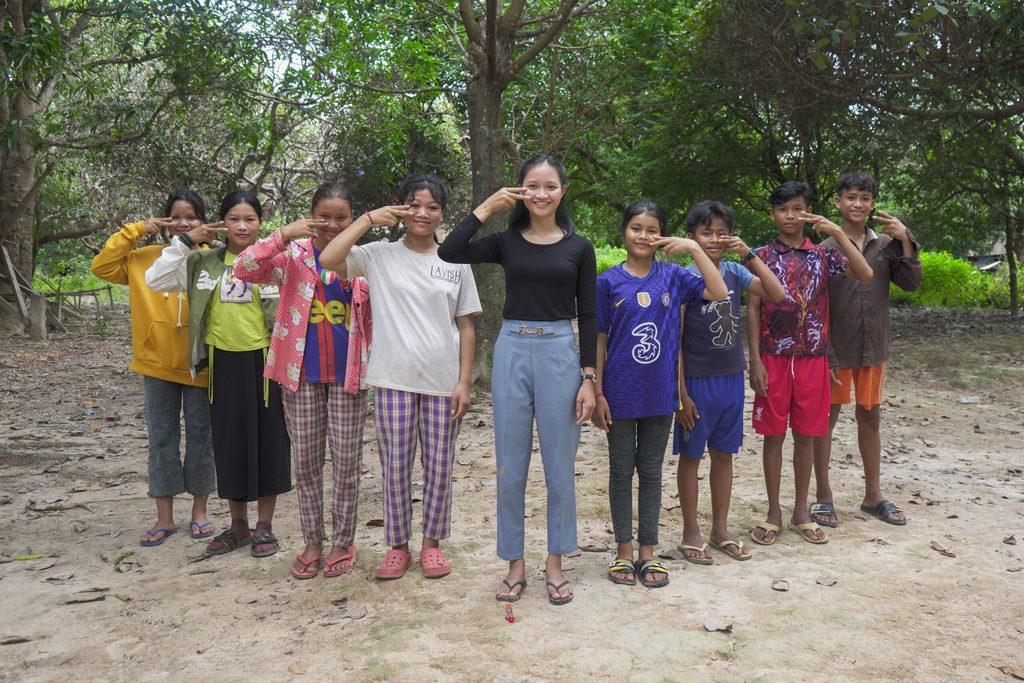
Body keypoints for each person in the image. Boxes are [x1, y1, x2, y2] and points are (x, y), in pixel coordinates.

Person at [438, 154, 595, 606]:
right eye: (532, 186)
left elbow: (589, 312)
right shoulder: (506, 242)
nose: (541, 194)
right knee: (509, 468)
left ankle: (555, 563)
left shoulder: (579, 247)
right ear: (520, 191)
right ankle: (514, 563)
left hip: (560, 353)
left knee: (560, 468)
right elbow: (450, 251)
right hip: (511, 348)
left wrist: (589, 378)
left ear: (562, 190)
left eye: (550, 186)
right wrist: (487, 207)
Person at [319, 174, 480, 581]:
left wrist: (464, 382)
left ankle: (431, 545)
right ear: (401, 207)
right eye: (414, 205)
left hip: (443, 382)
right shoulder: (377, 255)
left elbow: (466, 327)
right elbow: (328, 258)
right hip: (392, 379)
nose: (423, 214)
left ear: (443, 213)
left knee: (439, 467)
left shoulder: (455, 261)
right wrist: (369, 219)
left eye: (432, 207)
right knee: (394, 467)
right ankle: (397, 547)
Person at [233, 182, 371, 579]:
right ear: (310, 215)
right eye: (323, 216)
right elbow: (242, 268)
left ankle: (343, 541)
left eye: (341, 217)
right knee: (307, 463)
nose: (332, 224)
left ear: (352, 218)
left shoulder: (362, 259)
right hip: (299, 377)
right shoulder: (292, 256)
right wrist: (281, 235)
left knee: (346, 465)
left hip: (350, 377)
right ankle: (313, 540)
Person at [146, 189, 291, 558]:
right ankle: (238, 525)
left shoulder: (278, 261)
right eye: (234, 219)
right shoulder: (204, 263)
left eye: (250, 219)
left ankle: (265, 527)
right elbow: (156, 280)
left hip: (267, 363)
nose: (242, 226)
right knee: (229, 444)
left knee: (268, 442)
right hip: (222, 363)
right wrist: (184, 241)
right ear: (221, 223)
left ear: (262, 224)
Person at [592, 200, 727, 587]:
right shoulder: (608, 282)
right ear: (624, 232)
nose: (644, 236)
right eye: (636, 228)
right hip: (617, 394)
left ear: (662, 235)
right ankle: (623, 552)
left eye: (653, 229)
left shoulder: (673, 276)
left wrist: (696, 249)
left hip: (659, 394)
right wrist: (598, 391)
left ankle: (648, 552)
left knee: (650, 472)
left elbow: (717, 293)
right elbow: (600, 340)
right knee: (621, 472)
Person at [746, 181, 872, 546]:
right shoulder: (760, 256)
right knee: (773, 437)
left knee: (806, 436)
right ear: (772, 214)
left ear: (807, 213)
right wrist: (754, 360)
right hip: (773, 358)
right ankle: (773, 513)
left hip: (813, 360)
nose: (790, 216)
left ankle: (802, 511)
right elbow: (753, 308)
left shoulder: (823, 255)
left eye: (797, 209)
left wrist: (836, 233)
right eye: (783, 209)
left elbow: (865, 274)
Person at [91, 190, 217, 547]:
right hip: (156, 364)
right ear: (162, 222)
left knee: (201, 440)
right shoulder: (143, 259)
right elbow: (101, 266)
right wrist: (136, 230)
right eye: (175, 217)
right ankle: (164, 518)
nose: (183, 223)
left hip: (201, 365)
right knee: (161, 440)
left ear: (203, 222)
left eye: (191, 217)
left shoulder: (213, 261)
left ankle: (200, 513)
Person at [673, 200, 786, 564]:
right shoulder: (683, 277)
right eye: (706, 233)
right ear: (692, 237)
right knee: (691, 457)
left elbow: (777, 294)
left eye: (722, 232)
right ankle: (691, 531)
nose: (715, 239)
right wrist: (680, 392)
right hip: (696, 382)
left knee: (724, 455)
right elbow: (675, 340)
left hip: (731, 380)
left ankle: (720, 530)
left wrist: (750, 253)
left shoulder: (737, 271)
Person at [811, 172, 922, 528]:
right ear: (838, 202)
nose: (857, 204)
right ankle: (823, 497)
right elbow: (815, 304)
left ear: (872, 203)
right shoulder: (825, 248)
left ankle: (873, 495)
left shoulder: (886, 244)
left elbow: (911, 283)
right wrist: (823, 350)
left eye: (864, 198)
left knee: (870, 418)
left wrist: (906, 239)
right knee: (825, 421)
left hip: (872, 348)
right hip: (835, 350)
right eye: (851, 197)